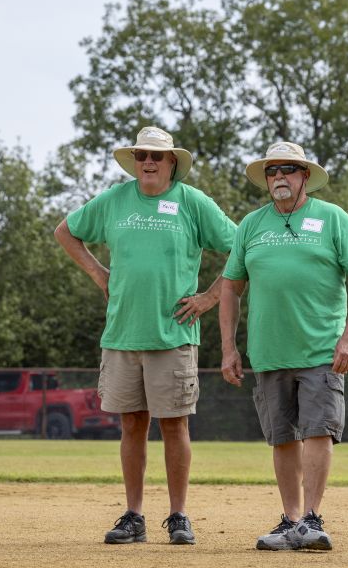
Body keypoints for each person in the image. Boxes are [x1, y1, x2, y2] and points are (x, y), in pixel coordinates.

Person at [55, 126, 236, 546]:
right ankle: (134, 516)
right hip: (122, 334)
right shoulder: (115, 199)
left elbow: (242, 245)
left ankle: (178, 516)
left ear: (172, 162)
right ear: (134, 162)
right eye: (141, 156)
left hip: (174, 334)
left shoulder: (192, 202)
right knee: (131, 425)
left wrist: (210, 297)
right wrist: (98, 273)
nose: (148, 162)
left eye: (157, 156)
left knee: (174, 425)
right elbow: (65, 231)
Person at [220, 141, 348, 551]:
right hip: (268, 352)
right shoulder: (251, 224)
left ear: (305, 175)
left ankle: (312, 518)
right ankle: (290, 522)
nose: (278, 177)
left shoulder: (332, 218)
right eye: (271, 171)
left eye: (288, 169)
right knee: (281, 437)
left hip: (321, 349)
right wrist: (229, 348)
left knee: (319, 430)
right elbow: (231, 287)